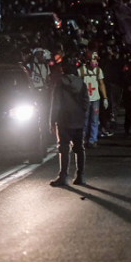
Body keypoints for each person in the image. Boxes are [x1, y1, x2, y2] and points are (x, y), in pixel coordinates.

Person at [49, 56, 90, 186]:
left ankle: (63, 176)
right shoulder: (81, 83)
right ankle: (80, 175)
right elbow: (86, 102)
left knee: (64, 148)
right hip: (78, 118)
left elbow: (56, 103)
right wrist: (81, 113)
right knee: (79, 147)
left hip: (64, 119)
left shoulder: (60, 83)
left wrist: (52, 120)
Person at [78, 51, 109, 149]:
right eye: (93, 60)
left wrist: (105, 98)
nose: (95, 62)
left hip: (95, 99)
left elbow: (101, 84)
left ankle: (93, 140)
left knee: (95, 120)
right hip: (85, 100)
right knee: (84, 120)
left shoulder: (98, 70)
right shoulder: (81, 71)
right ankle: (83, 139)